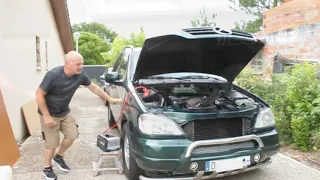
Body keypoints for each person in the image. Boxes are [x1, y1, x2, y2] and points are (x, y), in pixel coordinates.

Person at [36, 51, 122, 180]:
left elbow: (94, 88)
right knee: (51, 143)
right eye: (78, 64)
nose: (81, 66)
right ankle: (47, 168)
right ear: (67, 64)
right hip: (49, 113)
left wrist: (109, 99)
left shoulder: (79, 75)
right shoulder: (53, 75)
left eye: (82, 64)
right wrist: (46, 115)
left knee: (72, 135)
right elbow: (39, 94)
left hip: (64, 112)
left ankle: (58, 157)